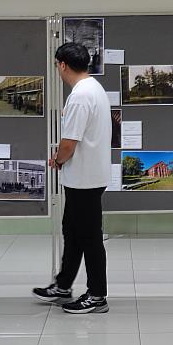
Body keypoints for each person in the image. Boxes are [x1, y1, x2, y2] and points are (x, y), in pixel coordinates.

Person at [33, 42, 112, 314]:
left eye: (57, 65)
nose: (57, 69)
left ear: (63, 64)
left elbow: (69, 143)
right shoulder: (95, 88)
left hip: (84, 179)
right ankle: (64, 284)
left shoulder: (80, 95)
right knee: (73, 232)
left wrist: (57, 159)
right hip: (88, 176)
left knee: (89, 237)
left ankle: (97, 295)